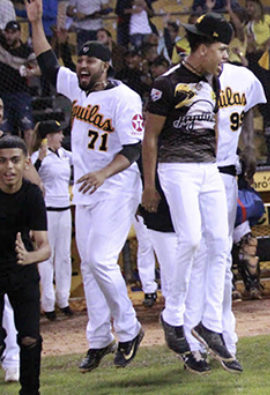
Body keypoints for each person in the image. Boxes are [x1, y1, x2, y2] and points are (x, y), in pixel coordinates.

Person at [29, 0, 146, 373]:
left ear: (105, 64)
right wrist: (35, 22)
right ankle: (98, 338)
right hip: (87, 188)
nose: (82, 66)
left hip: (116, 184)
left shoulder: (125, 97)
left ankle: (129, 329)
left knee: (100, 260)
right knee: (91, 267)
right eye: (79, 62)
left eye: (89, 62)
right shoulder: (79, 90)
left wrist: (102, 174)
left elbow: (131, 150)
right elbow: (49, 64)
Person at [141, 12, 238, 369]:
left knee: (220, 242)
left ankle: (210, 323)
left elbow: (212, 126)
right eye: (221, 49)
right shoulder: (166, 84)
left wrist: (212, 158)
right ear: (201, 49)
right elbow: (149, 137)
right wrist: (149, 185)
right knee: (193, 240)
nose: (225, 56)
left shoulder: (212, 81)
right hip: (175, 167)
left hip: (206, 168)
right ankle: (174, 315)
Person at [183, 49, 266, 374]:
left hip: (227, 174)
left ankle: (223, 335)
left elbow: (248, 115)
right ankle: (194, 340)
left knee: (219, 253)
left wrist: (249, 147)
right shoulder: (182, 80)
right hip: (193, 172)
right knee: (199, 255)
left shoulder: (243, 77)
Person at [0, 135, 50, 395]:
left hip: (22, 268)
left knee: (30, 339)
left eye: (15, 161)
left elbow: (44, 246)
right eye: (3, 161)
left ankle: (31, 392)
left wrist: (31, 257)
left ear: (26, 163)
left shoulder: (32, 195)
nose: (9, 167)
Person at [29, 121, 74, 321]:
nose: (62, 137)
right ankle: (47, 303)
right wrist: (39, 158)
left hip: (65, 209)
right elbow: (30, 178)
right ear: (48, 136)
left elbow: (81, 162)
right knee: (46, 256)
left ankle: (63, 299)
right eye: (58, 133)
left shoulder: (65, 155)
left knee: (64, 256)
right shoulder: (38, 157)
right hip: (47, 211)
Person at [0, 21, 36, 151]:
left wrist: (29, 71)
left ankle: (28, 161)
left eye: (13, 33)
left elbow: (39, 69)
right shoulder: (2, 47)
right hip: (2, 95)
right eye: (7, 32)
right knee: (4, 132)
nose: (9, 36)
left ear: (19, 33)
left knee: (28, 129)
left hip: (21, 94)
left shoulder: (27, 51)